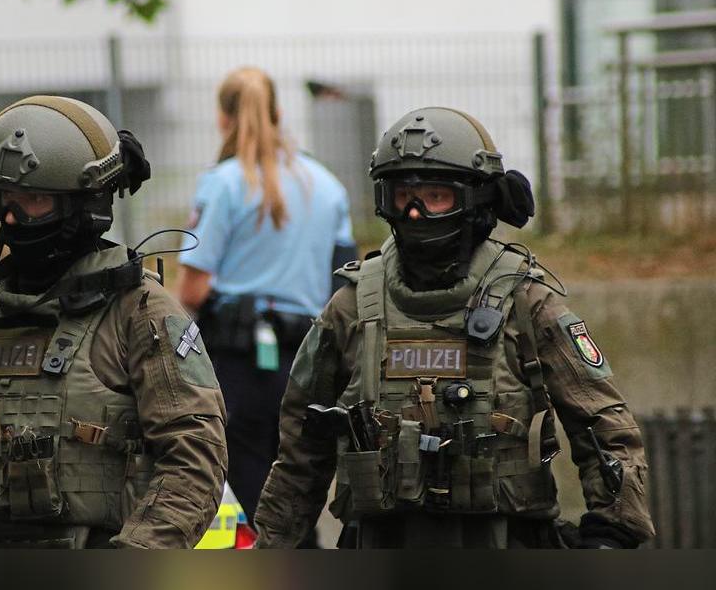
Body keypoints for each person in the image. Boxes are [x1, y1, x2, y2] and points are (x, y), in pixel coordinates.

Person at [254, 106, 655, 549]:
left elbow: (603, 424)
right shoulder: (353, 306)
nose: (415, 213)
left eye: (434, 196)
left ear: (475, 199)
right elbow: (299, 450)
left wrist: (612, 534)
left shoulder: (525, 301)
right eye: (404, 196)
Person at [0, 95, 227, 549]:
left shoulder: (140, 313)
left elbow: (195, 461)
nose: (12, 216)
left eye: (33, 199)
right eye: (3, 198)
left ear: (83, 205)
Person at [178, 67, 356, 535]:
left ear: (222, 119)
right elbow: (344, 283)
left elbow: (192, 292)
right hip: (309, 360)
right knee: (300, 491)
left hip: (238, 363)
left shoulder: (221, 185)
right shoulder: (328, 185)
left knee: (254, 499)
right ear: (279, 113)